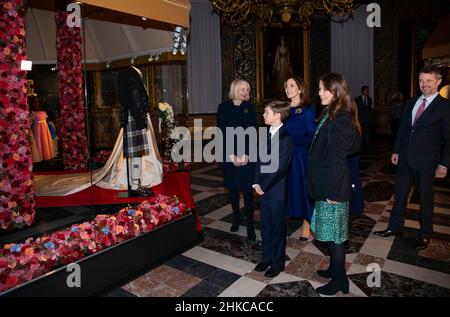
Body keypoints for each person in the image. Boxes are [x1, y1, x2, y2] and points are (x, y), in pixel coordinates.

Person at [374, 65, 450, 250]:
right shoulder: (411, 102)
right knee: (399, 195)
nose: (424, 84)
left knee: (425, 199)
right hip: (405, 158)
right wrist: (396, 150)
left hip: (426, 162)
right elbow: (403, 129)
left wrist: (444, 164)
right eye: (421, 80)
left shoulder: (445, 107)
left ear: (439, 82)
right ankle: (395, 227)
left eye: (428, 81)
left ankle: (425, 234)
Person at [308, 73, 362, 295]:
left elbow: (340, 160)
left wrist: (331, 191)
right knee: (330, 235)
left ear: (335, 91)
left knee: (336, 238)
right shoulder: (332, 114)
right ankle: (334, 268)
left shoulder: (341, 120)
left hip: (334, 188)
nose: (319, 93)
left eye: (323, 89)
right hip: (327, 184)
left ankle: (340, 281)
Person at [253, 101, 293, 278]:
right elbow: (259, 161)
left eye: (266, 112)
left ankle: (277, 262)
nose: (263, 115)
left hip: (276, 190)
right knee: (266, 226)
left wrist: (264, 186)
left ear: (277, 115)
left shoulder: (286, 138)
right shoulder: (265, 134)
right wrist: (255, 182)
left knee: (277, 228)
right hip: (263, 189)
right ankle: (267, 258)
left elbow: (279, 168)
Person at [217, 79, 257, 242]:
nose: (246, 92)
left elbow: (253, 132)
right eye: (242, 89)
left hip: (247, 154)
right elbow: (221, 133)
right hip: (228, 154)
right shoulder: (223, 107)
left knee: (247, 191)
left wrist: (247, 154)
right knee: (233, 190)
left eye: (247, 89)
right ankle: (236, 219)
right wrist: (231, 155)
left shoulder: (250, 107)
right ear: (234, 89)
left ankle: (250, 226)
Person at [283, 76, 316, 241]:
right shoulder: (284, 108)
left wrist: (289, 140)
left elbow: (310, 134)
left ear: (300, 89)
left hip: (299, 155)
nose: (288, 88)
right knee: (286, 188)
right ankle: (287, 213)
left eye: (291, 85)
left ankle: (307, 223)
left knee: (302, 189)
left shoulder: (308, 109)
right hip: (284, 155)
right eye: (286, 85)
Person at [118, 65, 153, 197]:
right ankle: (134, 186)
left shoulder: (129, 74)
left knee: (136, 154)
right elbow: (134, 99)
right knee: (137, 154)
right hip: (134, 117)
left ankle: (135, 184)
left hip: (133, 116)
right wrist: (140, 120)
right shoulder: (132, 75)